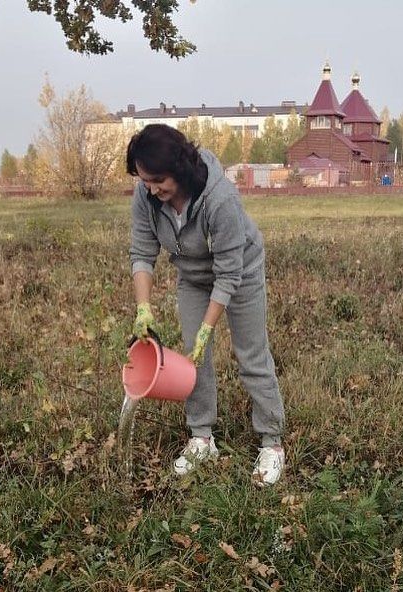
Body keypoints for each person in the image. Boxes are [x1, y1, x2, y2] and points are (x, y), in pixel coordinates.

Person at [126, 124, 286, 486]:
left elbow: (229, 274)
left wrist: (208, 327)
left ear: (179, 168)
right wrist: (143, 309)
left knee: (251, 356)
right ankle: (201, 437)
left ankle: (272, 442)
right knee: (192, 359)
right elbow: (141, 252)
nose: (151, 189)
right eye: (144, 181)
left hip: (240, 271)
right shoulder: (146, 195)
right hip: (193, 276)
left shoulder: (220, 198)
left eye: (158, 181)